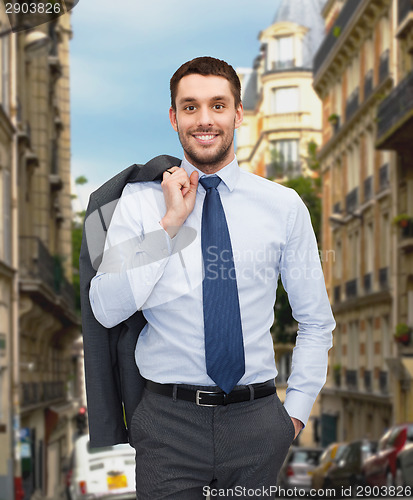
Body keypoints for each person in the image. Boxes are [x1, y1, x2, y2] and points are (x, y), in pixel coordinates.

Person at [86, 56, 335, 499]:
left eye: (218, 105)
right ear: (173, 117)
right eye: (190, 107)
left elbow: (316, 321)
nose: (205, 120)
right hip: (167, 423)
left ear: (239, 113)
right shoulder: (141, 204)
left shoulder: (284, 206)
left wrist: (292, 414)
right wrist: (168, 229)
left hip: (257, 423)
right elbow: (105, 308)